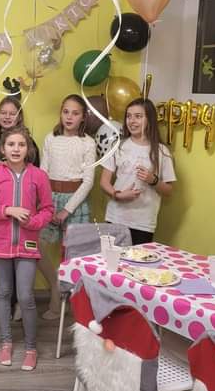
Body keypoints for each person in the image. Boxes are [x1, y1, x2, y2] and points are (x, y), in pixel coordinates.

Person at [0, 126, 54, 372]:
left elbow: (48, 209)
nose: (16, 149)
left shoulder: (39, 176)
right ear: (3, 148)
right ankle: (6, 343)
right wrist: (7, 210)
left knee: (25, 296)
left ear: (28, 149)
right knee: (3, 293)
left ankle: (31, 348)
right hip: (0, 243)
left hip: (27, 244)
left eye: (21, 145)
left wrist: (33, 222)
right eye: (11, 144)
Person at [39, 94, 96, 319]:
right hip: (50, 197)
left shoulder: (87, 143)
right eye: (65, 112)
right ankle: (55, 286)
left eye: (75, 113)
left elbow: (88, 181)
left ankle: (64, 304)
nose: (69, 117)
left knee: (72, 256)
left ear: (83, 117)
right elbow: (43, 173)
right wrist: (45, 203)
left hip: (75, 201)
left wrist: (66, 210)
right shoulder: (51, 138)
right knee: (36, 247)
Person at [0, 96, 40, 321]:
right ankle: (6, 303)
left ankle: (20, 303)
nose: (7, 116)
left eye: (12, 113)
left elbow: (35, 177)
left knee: (22, 260)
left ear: (19, 116)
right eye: (3, 112)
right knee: (3, 260)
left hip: (24, 215)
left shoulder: (29, 142)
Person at [100, 98, 175, 245]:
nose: (132, 121)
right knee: (111, 257)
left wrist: (153, 180)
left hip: (143, 223)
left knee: (137, 259)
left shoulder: (162, 151)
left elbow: (168, 190)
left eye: (138, 116)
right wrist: (118, 195)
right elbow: (104, 182)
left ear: (150, 120)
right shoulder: (118, 146)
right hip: (115, 217)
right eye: (129, 116)